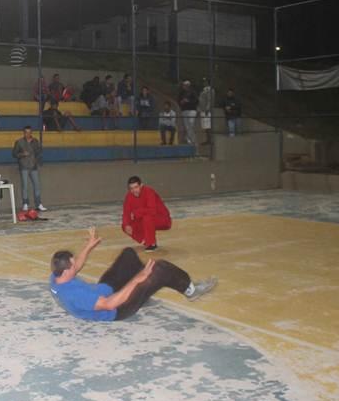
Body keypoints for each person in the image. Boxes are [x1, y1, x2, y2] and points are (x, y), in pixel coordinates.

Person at [49, 227, 217, 322]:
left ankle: (143, 292)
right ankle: (190, 290)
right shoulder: (74, 294)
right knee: (160, 268)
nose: (76, 264)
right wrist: (137, 280)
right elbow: (109, 304)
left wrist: (89, 245)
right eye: (72, 265)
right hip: (118, 308)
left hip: (105, 289)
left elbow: (75, 266)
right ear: (65, 271)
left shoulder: (57, 276)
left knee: (128, 254)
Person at [121, 176, 172, 251]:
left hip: (162, 219)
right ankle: (144, 240)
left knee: (147, 217)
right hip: (146, 220)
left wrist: (136, 212)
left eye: (136, 187)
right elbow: (126, 213)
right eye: (131, 188)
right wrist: (126, 224)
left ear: (141, 185)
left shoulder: (149, 191)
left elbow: (152, 210)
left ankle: (152, 244)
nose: (134, 190)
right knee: (125, 225)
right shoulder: (129, 196)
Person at [12, 126, 46, 212]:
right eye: (26, 132)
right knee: (25, 186)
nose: (28, 134)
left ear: (31, 133)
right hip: (24, 166)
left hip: (33, 166)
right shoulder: (19, 142)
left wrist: (38, 160)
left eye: (29, 132)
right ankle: (25, 204)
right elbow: (14, 154)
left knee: (37, 185)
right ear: (24, 133)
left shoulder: (35, 141)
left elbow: (39, 152)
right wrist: (22, 154)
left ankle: (38, 204)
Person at [178, 80, 199, 145]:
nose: (183, 86)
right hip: (184, 110)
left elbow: (196, 100)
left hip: (192, 110)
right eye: (183, 85)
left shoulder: (193, 92)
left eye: (185, 85)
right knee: (187, 126)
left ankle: (192, 140)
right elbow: (178, 100)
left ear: (188, 85)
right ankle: (189, 139)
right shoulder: (181, 93)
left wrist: (188, 101)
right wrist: (181, 102)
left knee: (191, 124)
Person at [198, 78, 215, 145]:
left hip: (206, 110)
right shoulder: (204, 90)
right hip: (203, 110)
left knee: (208, 125)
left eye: (205, 81)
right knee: (205, 126)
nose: (204, 83)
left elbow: (209, 100)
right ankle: (208, 139)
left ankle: (210, 140)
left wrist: (207, 109)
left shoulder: (210, 90)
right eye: (203, 81)